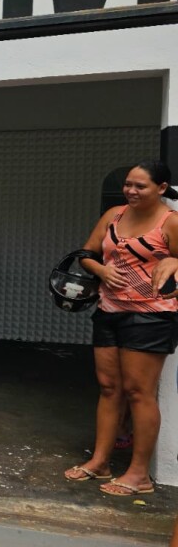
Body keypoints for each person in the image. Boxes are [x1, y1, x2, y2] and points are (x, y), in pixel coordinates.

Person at [64, 160, 178, 497]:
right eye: (128, 184)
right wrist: (100, 270)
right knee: (109, 387)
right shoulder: (114, 214)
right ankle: (100, 462)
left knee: (139, 392)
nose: (131, 190)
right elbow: (86, 253)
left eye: (140, 186)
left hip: (151, 316)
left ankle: (139, 475)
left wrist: (173, 260)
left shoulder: (170, 221)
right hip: (109, 311)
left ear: (161, 188)